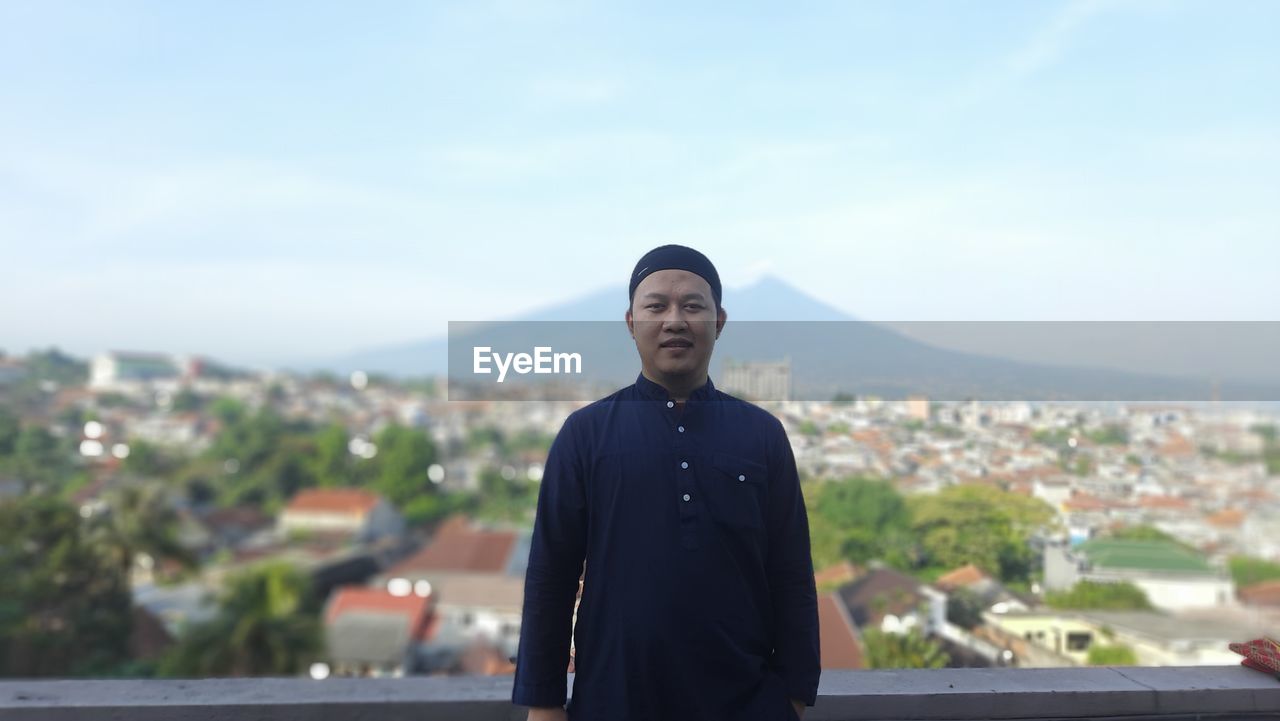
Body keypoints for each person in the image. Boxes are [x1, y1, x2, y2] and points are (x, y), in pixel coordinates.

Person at [511, 244, 820, 720]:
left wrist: (794, 696)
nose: (674, 319)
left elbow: (792, 574)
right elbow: (551, 577)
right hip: (613, 700)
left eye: (692, 305)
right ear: (632, 322)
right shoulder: (586, 435)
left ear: (718, 321)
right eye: (656, 306)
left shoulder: (762, 435)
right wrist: (544, 704)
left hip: (746, 704)